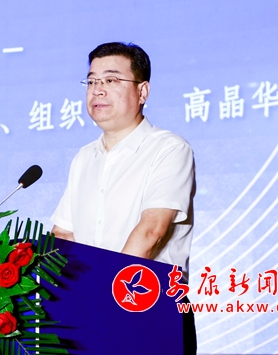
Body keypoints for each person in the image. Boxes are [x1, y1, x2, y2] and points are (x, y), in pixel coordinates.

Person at [50, 42, 196, 353]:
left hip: (150, 307)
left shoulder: (168, 149)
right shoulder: (84, 158)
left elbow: (152, 231)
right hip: (87, 311)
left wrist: (106, 295)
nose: (98, 90)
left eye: (111, 80)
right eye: (92, 81)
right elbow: (64, 234)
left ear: (143, 92)